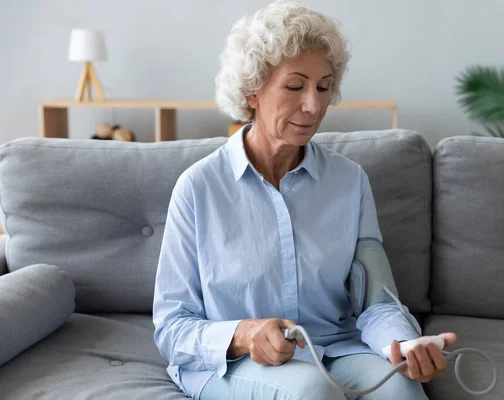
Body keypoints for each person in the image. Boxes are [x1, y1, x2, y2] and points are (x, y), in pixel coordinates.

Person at [153, 1, 456, 399]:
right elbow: (172, 327)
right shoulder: (198, 188)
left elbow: (377, 302)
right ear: (253, 90)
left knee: (402, 389)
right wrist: (244, 334)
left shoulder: (349, 182)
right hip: (234, 364)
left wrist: (402, 345)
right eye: (295, 86)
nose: (313, 106)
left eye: (324, 87)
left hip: (339, 348)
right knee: (311, 392)